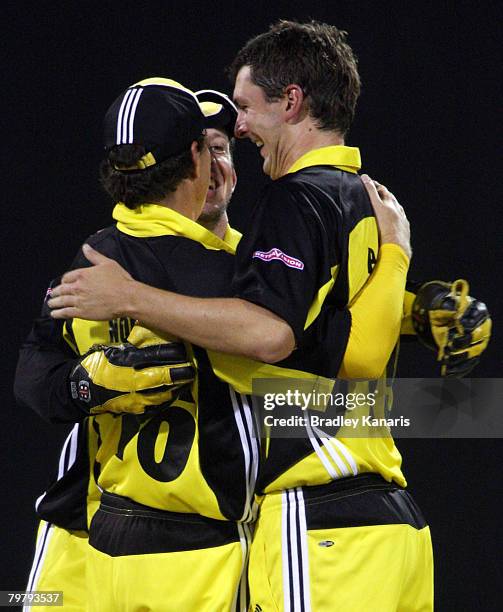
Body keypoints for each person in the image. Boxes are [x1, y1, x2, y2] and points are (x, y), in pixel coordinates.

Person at [46, 21, 432, 612]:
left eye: (240, 120)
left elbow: (285, 340)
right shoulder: (360, 198)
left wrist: (130, 298)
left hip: (306, 518)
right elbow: (341, 354)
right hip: (96, 542)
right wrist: (409, 293)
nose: (239, 131)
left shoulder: (288, 211)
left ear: (293, 102)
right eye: (206, 147)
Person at [15, 82, 255, 612]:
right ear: (190, 162)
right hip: (84, 531)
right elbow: (33, 372)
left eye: (224, 148)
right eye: (204, 146)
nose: (214, 164)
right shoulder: (98, 260)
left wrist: (134, 300)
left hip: (181, 543)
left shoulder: (98, 264)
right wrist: (85, 385)